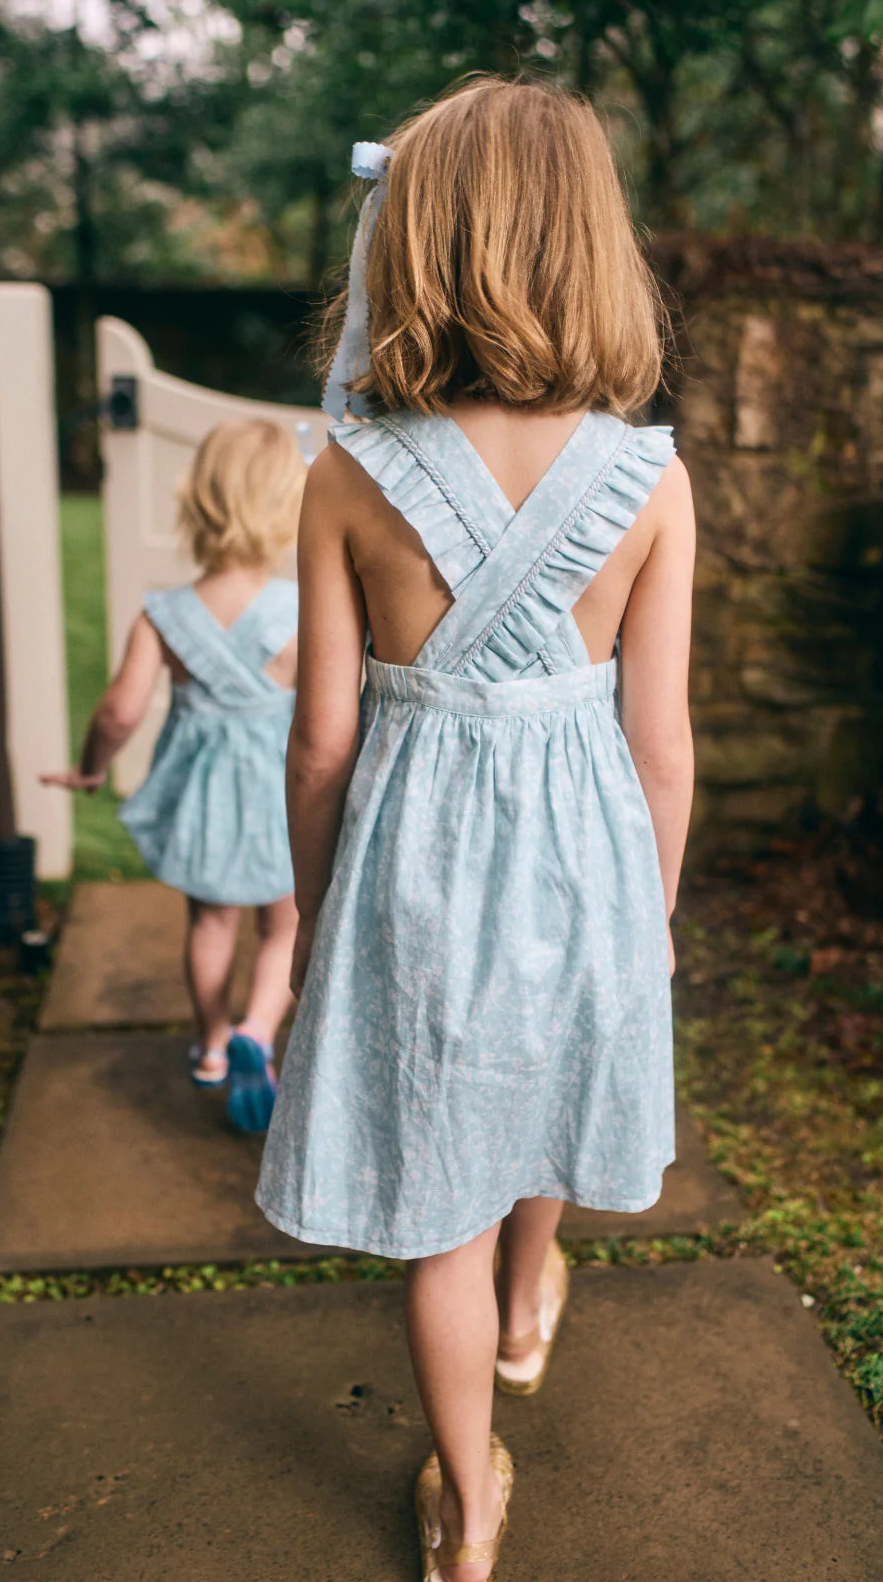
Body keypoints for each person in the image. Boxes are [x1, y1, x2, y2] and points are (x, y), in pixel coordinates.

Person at [257, 77, 695, 1581]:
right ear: (594, 242)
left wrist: (318, 918)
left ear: (413, 245)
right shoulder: (647, 477)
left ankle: (470, 1508)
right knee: (557, 1069)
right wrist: (653, 920)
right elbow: (659, 741)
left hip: (412, 878)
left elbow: (318, 742)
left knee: (434, 1204)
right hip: (588, 868)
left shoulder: (345, 473)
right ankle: (531, 1303)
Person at [43, 418, 305, 1134]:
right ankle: (260, 1023)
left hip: (205, 800)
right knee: (284, 926)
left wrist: (91, 768)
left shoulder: (165, 613)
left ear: (198, 501)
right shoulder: (300, 613)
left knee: (209, 920)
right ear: (287, 508)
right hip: (280, 798)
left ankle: (214, 1044)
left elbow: (121, 710)